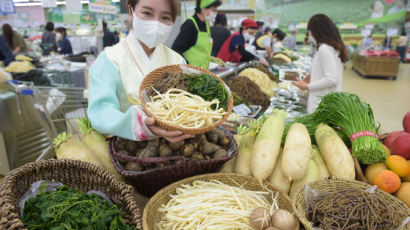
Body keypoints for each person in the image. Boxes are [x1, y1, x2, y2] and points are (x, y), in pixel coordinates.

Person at [88, 0, 192, 143]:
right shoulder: (111, 59)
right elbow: (100, 112)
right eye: (147, 13)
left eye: (165, 17)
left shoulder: (178, 62)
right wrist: (141, 124)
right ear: (131, 12)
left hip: (173, 153)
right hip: (125, 152)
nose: (156, 24)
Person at [292, 14, 349, 114]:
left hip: (321, 101)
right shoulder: (332, 48)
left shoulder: (324, 49)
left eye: (309, 31)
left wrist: (307, 87)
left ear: (316, 31)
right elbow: (328, 73)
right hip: (328, 100)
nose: (309, 34)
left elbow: (332, 79)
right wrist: (312, 77)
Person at [172, 0, 222, 69]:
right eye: (213, 10)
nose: (215, 13)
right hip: (190, 74)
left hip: (202, 72)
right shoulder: (190, 25)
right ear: (204, 9)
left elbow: (202, 50)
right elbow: (175, 49)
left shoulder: (206, 25)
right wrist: (186, 65)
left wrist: (210, 58)